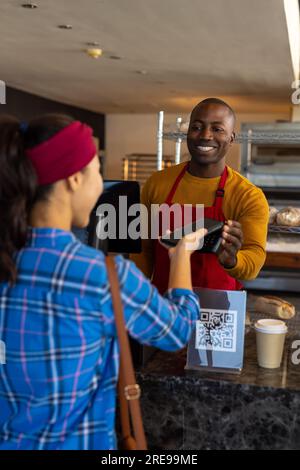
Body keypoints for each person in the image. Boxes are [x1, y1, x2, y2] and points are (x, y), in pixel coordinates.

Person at [0, 114, 205, 450]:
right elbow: (177, 330)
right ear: (74, 180)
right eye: (97, 168)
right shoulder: (102, 275)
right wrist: (181, 254)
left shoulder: (8, 258)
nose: (100, 182)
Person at [132, 98, 269, 293]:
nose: (205, 135)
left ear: (231, 138)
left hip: (219, 311)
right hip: (164, 304)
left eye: (217, 129)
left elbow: (254, 260)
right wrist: (136, 295)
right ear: (187, 134)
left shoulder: (247, 195)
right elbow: (142, 250)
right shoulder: (158, 183)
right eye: (196, 127)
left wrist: (233, 260)